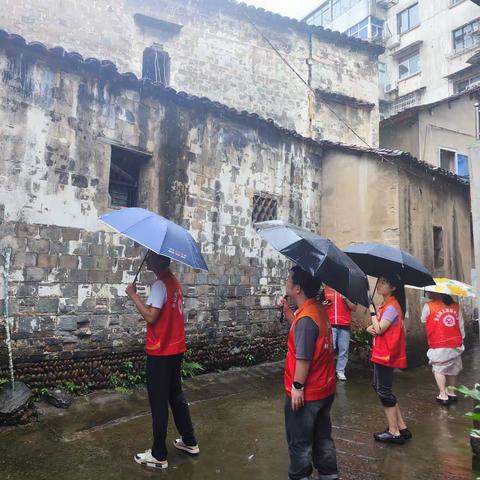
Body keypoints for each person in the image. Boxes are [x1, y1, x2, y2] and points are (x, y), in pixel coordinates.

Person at [126, 252, 199, 470]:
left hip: (161, 351)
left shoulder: (160, 286)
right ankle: (189, 440)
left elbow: (151, 316)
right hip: (175, 348)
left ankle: (158, 454)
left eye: (150, 257)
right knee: (175, 395)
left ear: (159, 260)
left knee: (159, 402)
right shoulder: (173, 282)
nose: (146, 260)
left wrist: (133, 296)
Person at [279, 266, 338, 480]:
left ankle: (300, 476)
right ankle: (329, 474)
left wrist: (297, 387)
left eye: (288, 281)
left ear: (297, 288)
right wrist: (287, 311)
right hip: (324, 389)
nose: (285, 283)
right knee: (323, 438)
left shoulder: (306, 319)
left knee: (300, 443)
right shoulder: (316, 310)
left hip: (308, 393)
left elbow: (303, 357)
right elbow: (303, 330)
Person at [366, 275, 411, 445]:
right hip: (382, 353)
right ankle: (401, 426)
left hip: (386, 354)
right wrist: (373, 323)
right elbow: (374, 327)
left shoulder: (391, 306)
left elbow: (379, 328)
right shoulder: (386, 306)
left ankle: (394, 432)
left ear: (393, 288)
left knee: (384, 391)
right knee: (379, 387)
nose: (380, 284)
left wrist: (372, 313)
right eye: (380, 281)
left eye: (384, 282)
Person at [421, 292, 465, 406]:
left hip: (439, 343)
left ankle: (443, 395)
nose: (428, 294)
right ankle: (452, 393)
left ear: (436, 292)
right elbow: (461, 325)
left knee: (439, 369)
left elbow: (423, 320)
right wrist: (461, 339)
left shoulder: (429, 306)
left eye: (429, 292)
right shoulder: (456, 306)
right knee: (453, 368)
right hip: (455, 342)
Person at [322, 287, 357, 381]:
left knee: (344, 349)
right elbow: (319, 306)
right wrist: (324, 305)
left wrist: (346, 299)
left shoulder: (348, 290)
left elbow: (354, 308)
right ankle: (327, 370)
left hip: (344, 324)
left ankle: (340, 371)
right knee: (330, 348)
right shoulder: (326, 290)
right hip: (330, 324)